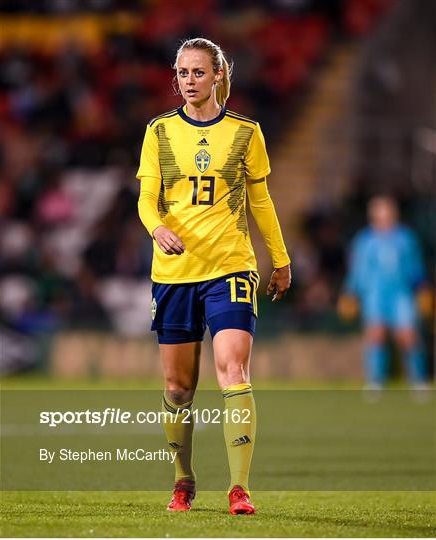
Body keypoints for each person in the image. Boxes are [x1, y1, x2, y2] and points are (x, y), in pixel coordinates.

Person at [136, 37, 291, 514]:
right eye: (182, 73)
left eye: (198, 73)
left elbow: (260, 200)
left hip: (230, 266)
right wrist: (158, 227)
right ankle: (183, 481)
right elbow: (146, 199)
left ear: (219, 75)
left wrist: (279, 259)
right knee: (179, 389)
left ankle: (239, 489)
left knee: (233, 370)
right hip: (176, 271)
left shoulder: (247, 132)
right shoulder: (159, 131)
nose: (188, 82)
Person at [338, 196, 432, 390]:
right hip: (374, 293)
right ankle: (375, 381)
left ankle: (418, 380)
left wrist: (422, 287)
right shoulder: (364, 240)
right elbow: (357, 270)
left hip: (401, 293)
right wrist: (349, 292)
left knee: (407, 335)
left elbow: (415, 266)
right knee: (375, 334)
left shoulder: (405, 238)